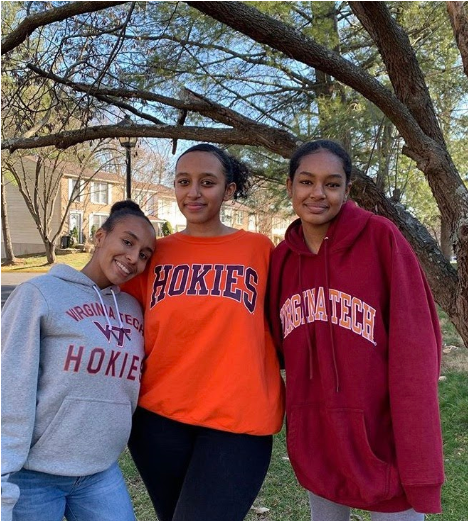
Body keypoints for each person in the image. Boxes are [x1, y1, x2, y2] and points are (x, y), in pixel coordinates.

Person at [268, 140, 444, 521]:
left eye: (331, 184)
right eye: (306, 181)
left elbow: (416, 349)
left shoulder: (381, 238)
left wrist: (417, 445)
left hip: (381, 440)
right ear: (290, 187)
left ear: (347, 190)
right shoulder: (282, 260)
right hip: (318, 440)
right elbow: (275, 346)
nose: (317, 193)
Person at [122, 143, 285, 521]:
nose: (193, 192)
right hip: (157, 421)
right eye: (184, 182)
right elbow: (115, 314)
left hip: (239, 422)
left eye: (207, 182)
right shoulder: (154, 253)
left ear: (228, 190)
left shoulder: (258, 249)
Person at [1, 200, 156, 521]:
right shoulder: (39, 294)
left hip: (101, 471)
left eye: (144, 254)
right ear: (100, 236)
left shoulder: (132, 309)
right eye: (127, 242)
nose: (133, 258)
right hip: (34, 475)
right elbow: (9, 385)